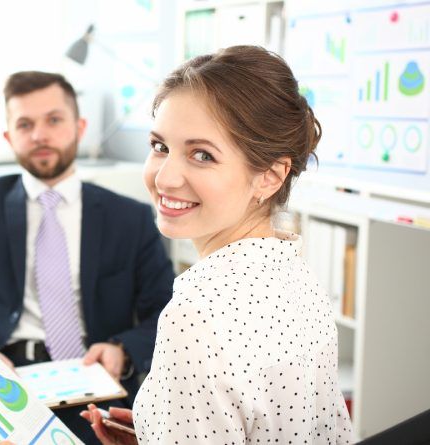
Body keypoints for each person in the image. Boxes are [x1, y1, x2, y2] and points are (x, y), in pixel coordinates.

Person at [76, 45, 354, 444]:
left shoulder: (195, 313)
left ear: (270, 176)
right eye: (160, 147)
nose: (165, 178)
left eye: (202, 155)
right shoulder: (297, 275)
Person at [0, 71, 175, 443]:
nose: (40, 135)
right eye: (25, 125)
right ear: (9, 137)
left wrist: (122, 350)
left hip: (93, 382)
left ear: (79, 127)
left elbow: (166, 313)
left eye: (54, 120)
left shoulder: (130, 218)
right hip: (3, 375)